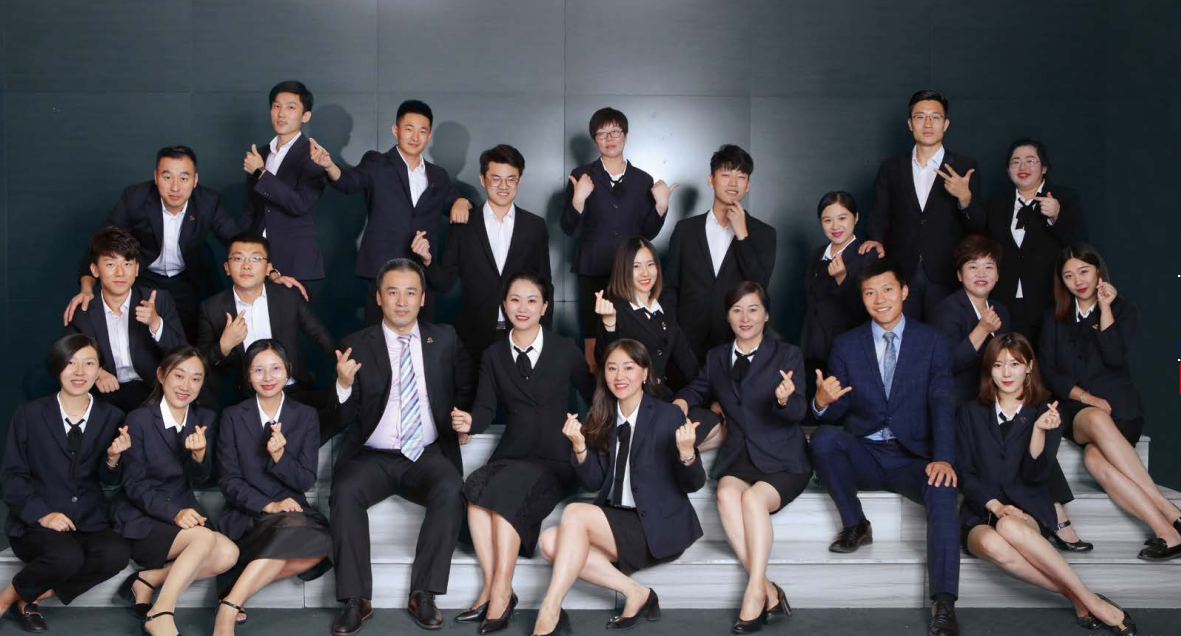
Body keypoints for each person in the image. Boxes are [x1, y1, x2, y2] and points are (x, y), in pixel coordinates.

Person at [809, 258, 961, 636]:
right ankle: (856, 524)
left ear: (904, 292)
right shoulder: (847, 345)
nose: (880, 299)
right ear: (862, 299)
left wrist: (943, 458)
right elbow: (836, 409)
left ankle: (944, 602)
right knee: (824, 439)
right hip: (867, 453)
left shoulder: (932, 342)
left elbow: (943, 402)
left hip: (913, 458)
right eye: (870, 293)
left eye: (888, 290)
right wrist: (822, 402)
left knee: (944, 489)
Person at [328, 258, 474, 633]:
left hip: (426, 453)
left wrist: (464, 418)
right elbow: (341, 419)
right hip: (372, 456)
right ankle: (355, 600)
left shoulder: (444, 339)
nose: (402, 301)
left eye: (411, 293)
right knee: (344, 491)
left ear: (423, 298)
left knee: (450, 487)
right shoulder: (356, 345)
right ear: (379, 297)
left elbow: (466, 385)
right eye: (393, 292)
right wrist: (343, 386)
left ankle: (424, 594)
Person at [957, 333, 1136, 635]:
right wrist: (996, 506)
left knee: (1009, 527)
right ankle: (1086, 598)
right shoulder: (969, 412)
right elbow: (964, 471)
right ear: (989, 370)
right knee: (992, 543)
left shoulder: (1046, 411)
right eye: (998, 365)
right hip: (981, 510)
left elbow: (1035, 476)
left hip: (1027, 508)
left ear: (1029, 367)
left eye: (1015, 364)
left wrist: (1039, 432)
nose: (1006, 372)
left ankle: (1087, 601)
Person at [449, 272, 594, 634]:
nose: (523, 308)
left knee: (506, 494)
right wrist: (470, 422)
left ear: (545, 307)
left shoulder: (565, 349)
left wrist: (589, 437)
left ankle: (501, 592)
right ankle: (492, 587)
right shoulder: (494, 354)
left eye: (532, 300)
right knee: (475, 489)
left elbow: (595, 395)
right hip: (512, 452)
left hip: (555, 458)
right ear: (504, 305)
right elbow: (485, 408)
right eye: (515, 299)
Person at [530, 339, 706, 636]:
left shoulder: (668, 415)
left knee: (574, 512)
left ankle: (550, 608)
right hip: (618, 519)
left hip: (658, 524)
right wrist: (580, 446)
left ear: (645, 372)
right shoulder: (602, 417)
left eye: (628, 367)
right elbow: (595, 482)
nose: (619, 376)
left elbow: (694, 484)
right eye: (612, 368)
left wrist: (687, 452)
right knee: (548, 542)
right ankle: (637, 592)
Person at [673, 281, 809, 633]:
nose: (745, 317)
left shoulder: (787, 354)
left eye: (753, 309)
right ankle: (768, 588)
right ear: (728, 316)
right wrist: (681, 402)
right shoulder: (717, 357)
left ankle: (754, 592)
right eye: (737, 310)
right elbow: (699, 387)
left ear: (766, 315)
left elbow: (798, 411)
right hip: (740, 455)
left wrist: (784, 399)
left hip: (783, 457)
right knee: (725, 493)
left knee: (752, 500)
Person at [61, 146, 296, 341]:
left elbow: (238, 241)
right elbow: (102, 243)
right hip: (144, 277)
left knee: (193, 339)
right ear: (156, 177)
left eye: (184, 178)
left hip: (188, 278)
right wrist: (86, 288)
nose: (175, 187)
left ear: (195, 180)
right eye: (167, 177)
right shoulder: (136, 198)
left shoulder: (207, 201)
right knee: (140, 337)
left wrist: (272, 273)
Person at [1039, 244, 1181, 560]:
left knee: (1094, 461)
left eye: (1084, 271)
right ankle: (1170, 510)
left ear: (1098, 272)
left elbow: (1115, 357)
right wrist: (1085, 396)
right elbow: (1048, 372)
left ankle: (1168, 533)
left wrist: (1105, 309)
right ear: (1061, 281)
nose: (1078, 281)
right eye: (1069, 275)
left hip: (1121, 410)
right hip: (1077, 408)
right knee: (1095, 417)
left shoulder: (1124, 310)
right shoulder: (1053, 317)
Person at [0, 335, 132, 632]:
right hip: (35, 522)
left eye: (89, 363)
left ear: (100, 371)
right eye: (71, 363)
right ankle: (10, 600)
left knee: (116, 554)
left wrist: (112, 459)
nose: (80, 372)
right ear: (57, 368)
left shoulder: (113, 417)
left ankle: (27, 597)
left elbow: (110, 481)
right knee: (66, 556)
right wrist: (43, 514)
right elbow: (12, 476)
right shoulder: (29, 414)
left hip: (88, 520)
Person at [307, 100, 472, 324]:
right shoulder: (377, 163)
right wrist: (329, 166)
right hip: (381, 273)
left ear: (429, 136)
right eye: (409, 129)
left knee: (424, 340)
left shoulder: (438, 176)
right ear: (396, 130)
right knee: (378, 339)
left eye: (422, 131)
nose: (415, 137)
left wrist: (462, 201)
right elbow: (349, 182)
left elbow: (458, 203)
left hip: (422, 276)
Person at [112, 347, 239, 636]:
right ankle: (161, 612)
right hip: (142, 517)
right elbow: (134, 485)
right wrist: (175, 513)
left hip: (183, 509)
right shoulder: (139, 419)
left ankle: (148, 580)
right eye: (179, 376)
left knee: (228, 553)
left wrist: (199, 456)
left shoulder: (205, 418)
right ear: (161, 375)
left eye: (196, 379)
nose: (186, 386)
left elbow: (202, 478)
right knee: (205, 537)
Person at [214, 339, 331, 636]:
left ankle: (231, 596)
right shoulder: (232, 416)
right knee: (291, 531)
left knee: (321, 546)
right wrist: (269, 505)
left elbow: (305, 480)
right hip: (247, 513)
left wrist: (280, 457)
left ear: (288, 370)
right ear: (247, 375)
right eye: (258, 370)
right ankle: (228, 612)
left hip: (291, 512)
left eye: (275, 368)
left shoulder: (305, 415)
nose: (268, 377)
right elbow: (228, 481)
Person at [420, 144, 553, 372]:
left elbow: (545, 284)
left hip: (522, 335)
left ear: (519, 182)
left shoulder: (535, 226)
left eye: (511, 179)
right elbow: (445, 282)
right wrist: (428, 261)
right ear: (483, 179)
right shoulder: (464, 225)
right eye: (496, 179)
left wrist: (543, 335)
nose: (503, 186)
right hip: (473, 336)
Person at [561, 107, 677, 366]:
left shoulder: (642, 179)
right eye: (602, 133)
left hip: (632, 272)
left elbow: (647, 232)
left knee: (631, 336)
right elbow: (568, 228)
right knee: (593, 339)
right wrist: (578, 199)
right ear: (594, 139)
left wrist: (661, 206)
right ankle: (594, 387)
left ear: (625, 135)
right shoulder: (581, 175)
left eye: (615, 132)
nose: (609, 138)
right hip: (593, 269)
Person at [859, 90, 985, 321]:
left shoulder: (963, 166)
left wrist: (964, 198)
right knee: (904, 337)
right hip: (901, 271)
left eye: (935, 117)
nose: (928, 123)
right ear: (910, 124)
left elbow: (978, 225)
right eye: (920, 117)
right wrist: (876, 239)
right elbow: (879, 213)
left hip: (946, 271)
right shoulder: (892, 168)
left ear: (945, 124)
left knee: (943, 336)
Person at [593, 237, 721, 445]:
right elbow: (604, 360)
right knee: (673, 441)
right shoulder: (616, 309)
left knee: (717, 425)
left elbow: (688, 364)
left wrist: (688, 399)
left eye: (650, 264)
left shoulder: (664, 310)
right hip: (634, 407)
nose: (645, 273)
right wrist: (609, 324)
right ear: (623, 271)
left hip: (666, 400)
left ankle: (662, 455)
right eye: (636, 266)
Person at [663, 145, 776, 360]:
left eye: (740, 177)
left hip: (736, 341)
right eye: (725, 175)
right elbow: (670, 286)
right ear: (711, 180)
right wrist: (672, 332)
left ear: (748, 185)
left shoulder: (764, 233)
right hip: (686, 341)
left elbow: (760, 285)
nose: (733, 183)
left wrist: (742, 235)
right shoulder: (686, 230)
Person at [196, 233, 335, 405]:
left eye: (255, 258)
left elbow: (318, 334)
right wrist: (224, 346)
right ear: (227, 267)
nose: (247, 266)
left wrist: (342, 362)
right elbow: (200, 363)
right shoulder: (211, 308)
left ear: (268, 268)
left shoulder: (287, 297)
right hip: (243, 397)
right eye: (238, 258)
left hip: (291, 389)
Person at [64, 227, 187, 412]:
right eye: (111, 264)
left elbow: (183, 354)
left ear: (136, 269)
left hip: (151, 389)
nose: (120, 273)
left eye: (127, 264)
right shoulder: (84, 310)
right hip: (104, 392)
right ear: (95, 270)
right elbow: (64, 355)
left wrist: (156, 323)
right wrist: (96, 373)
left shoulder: (158, 300)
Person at [985, 138, 1088, 346]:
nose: (1023, 167)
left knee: (1047, 358)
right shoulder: (995, 204)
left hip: (1049, 302)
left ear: (1044, 168)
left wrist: (1056, 216)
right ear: (1008, 169)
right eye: (1016, 162)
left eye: (1031, 161)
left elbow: (1079, 244)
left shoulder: (1065, 198)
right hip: (1004, 302)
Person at [239, 80, 328, 283]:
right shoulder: (260, 154)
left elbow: (300, 204)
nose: (281, 114)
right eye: (276, 106)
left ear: (306, 116)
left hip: (295, 261)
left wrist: (260, 172)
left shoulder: (314, 156)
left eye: (290, 107)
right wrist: (244, 246)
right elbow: (251, 208)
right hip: (256, 260)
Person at [801, 191, 873, 394]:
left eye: (842, 218)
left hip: (845, 351)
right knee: (813, 404)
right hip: (812, 348)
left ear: (855, 218)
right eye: (827, 220)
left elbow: (866, 309)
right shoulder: (817, 254)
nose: (835, 226)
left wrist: (842, 278)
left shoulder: (867, 255)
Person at [932, 234, 1012, 406]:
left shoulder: (1001, 311)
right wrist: (982, 329)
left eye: (989, 267)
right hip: (960, 403)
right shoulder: (947, 309)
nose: (981, 274)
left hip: (996, 399)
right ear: (960, 275)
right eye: (973, 267)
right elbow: (947, 364)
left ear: (997, 275)